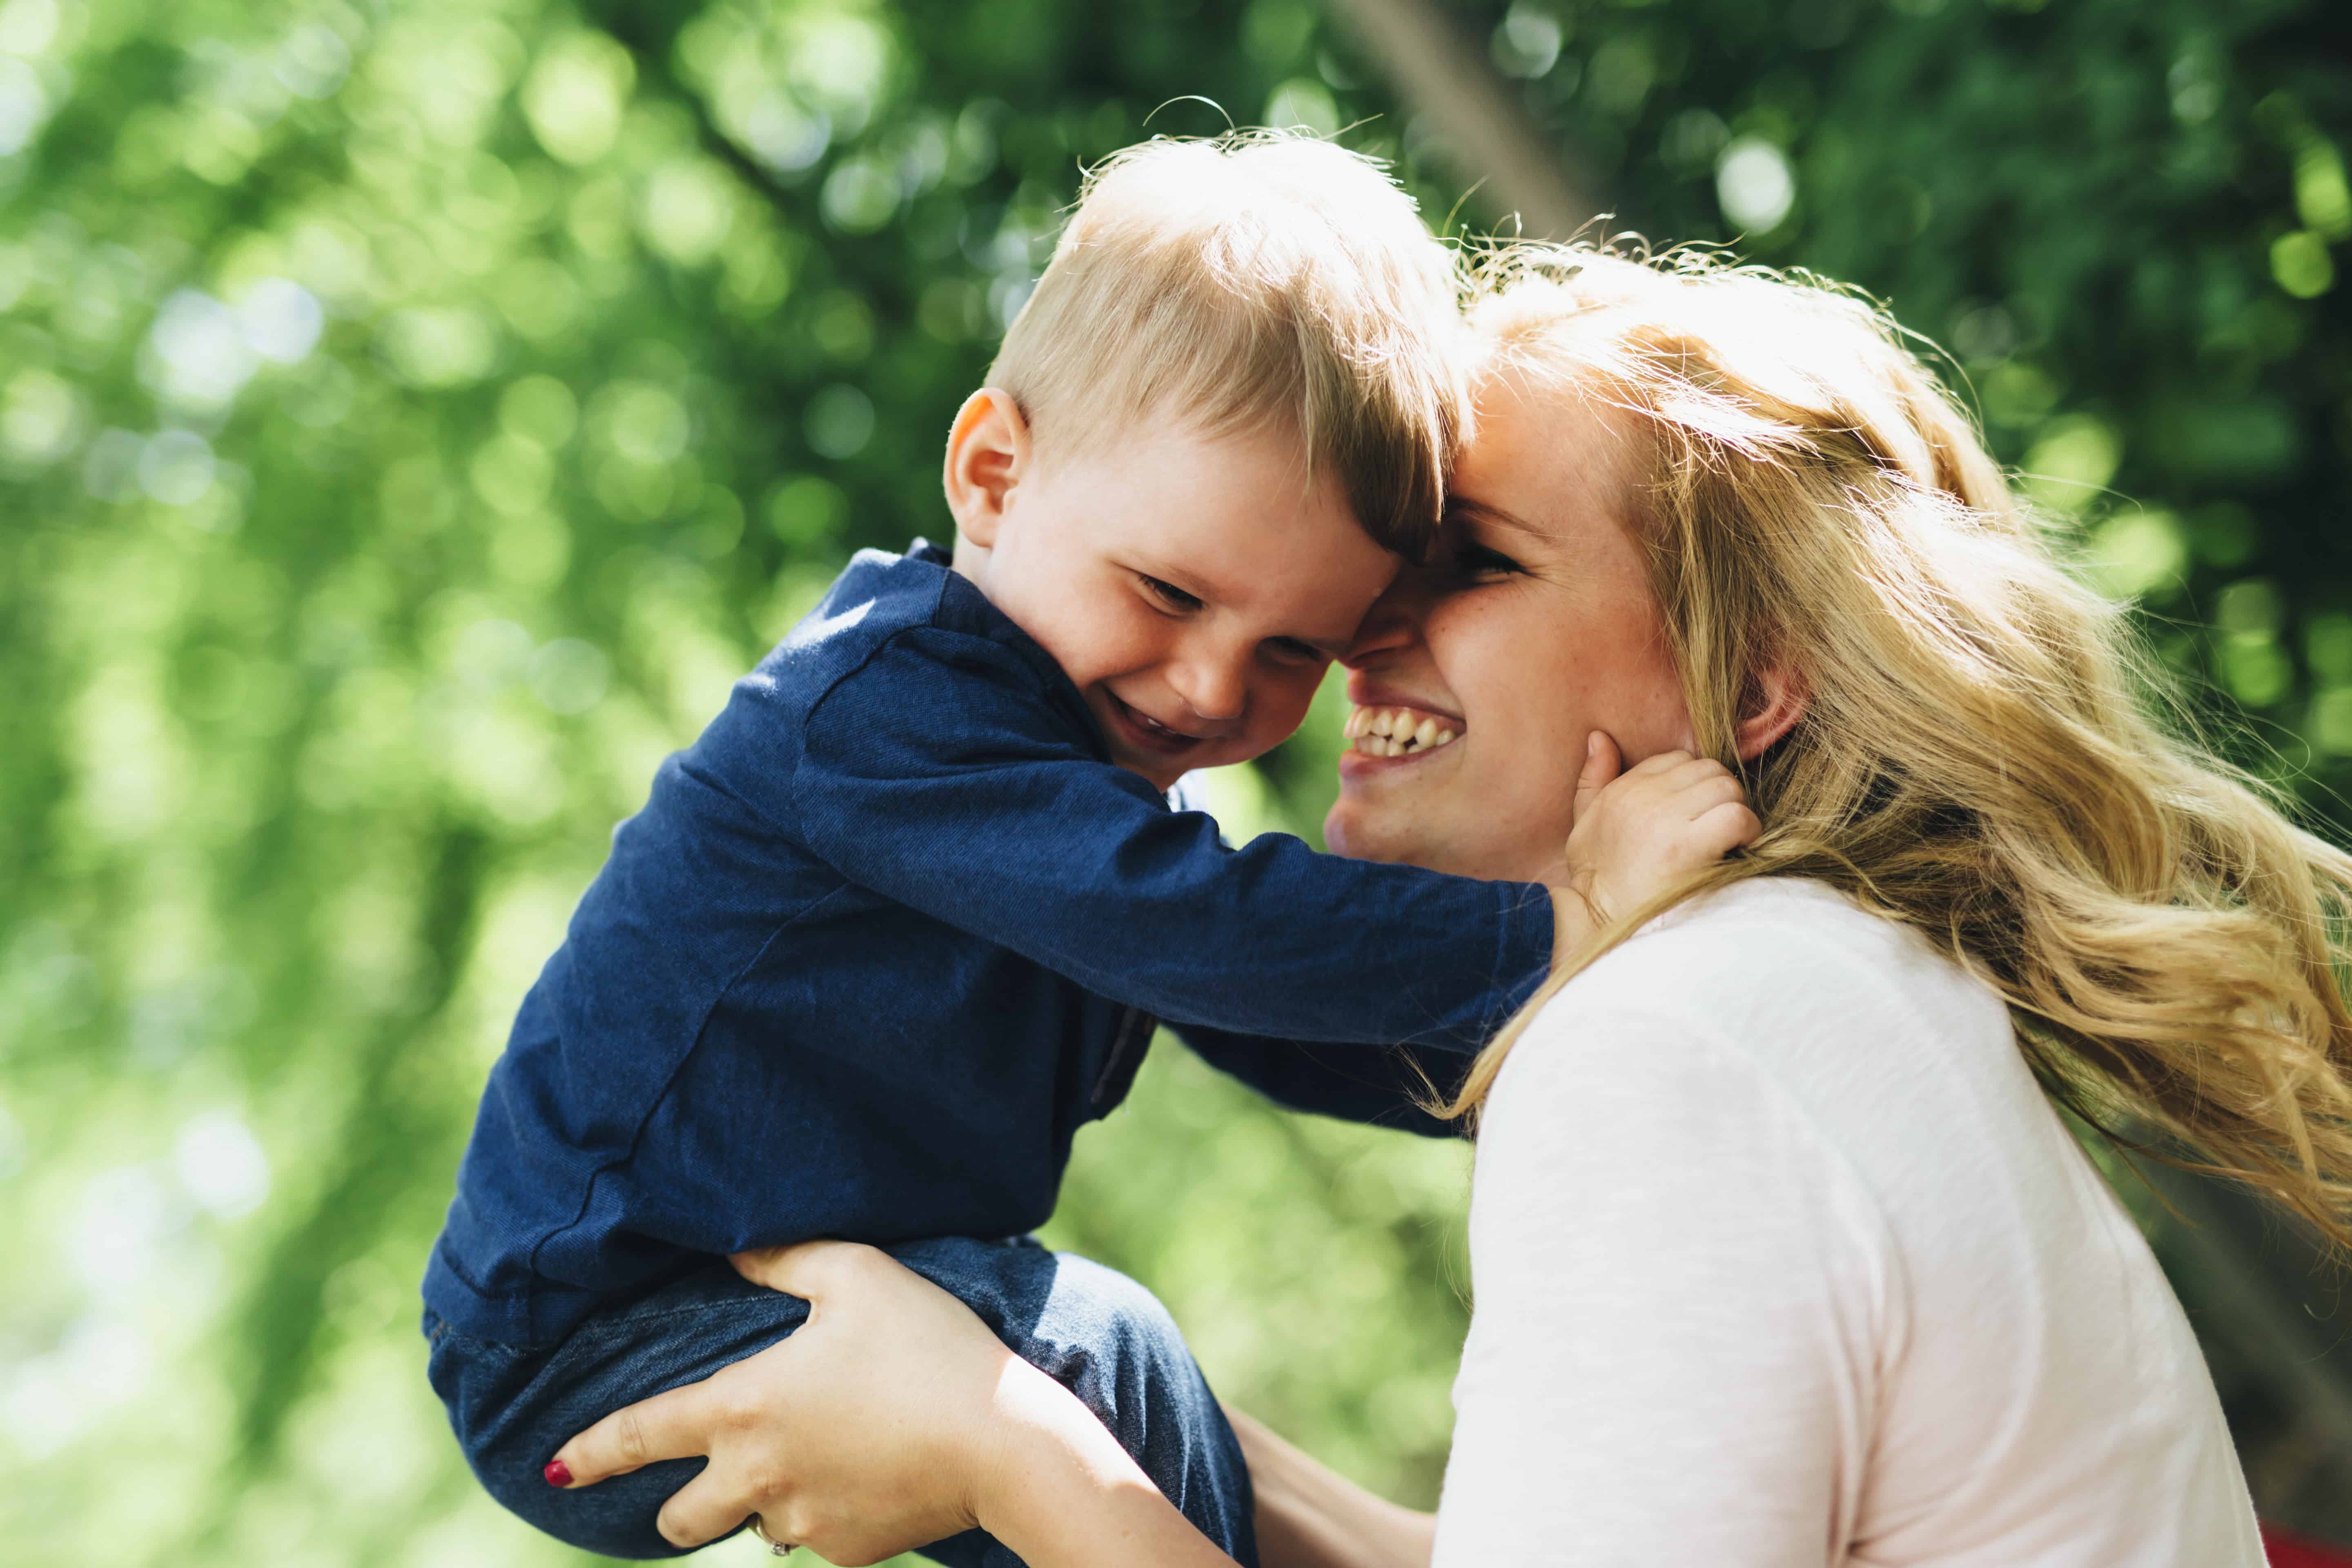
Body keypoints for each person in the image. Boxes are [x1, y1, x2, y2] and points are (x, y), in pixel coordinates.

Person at [548, 242, 2352, 1566]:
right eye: (1365, 583)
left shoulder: (1677, 1047)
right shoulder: (1821, 989)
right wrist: (1088, 1418)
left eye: (1468, 567)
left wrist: (1002, 1444)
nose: (1353, 641)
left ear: (1754, 686)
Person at [423, 136, 1761, 1565]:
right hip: (590, 1317)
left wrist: (1552, 1062)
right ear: (994, 475)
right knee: (1092, 1366)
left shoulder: (1083, 790)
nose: (1207, 688)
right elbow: (1216, 935)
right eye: (1168, 591)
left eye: (1293, 650)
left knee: (1121, 1386)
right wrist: (1560, 930)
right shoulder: (881, 713)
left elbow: (1264, 1022)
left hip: (787, 1280)